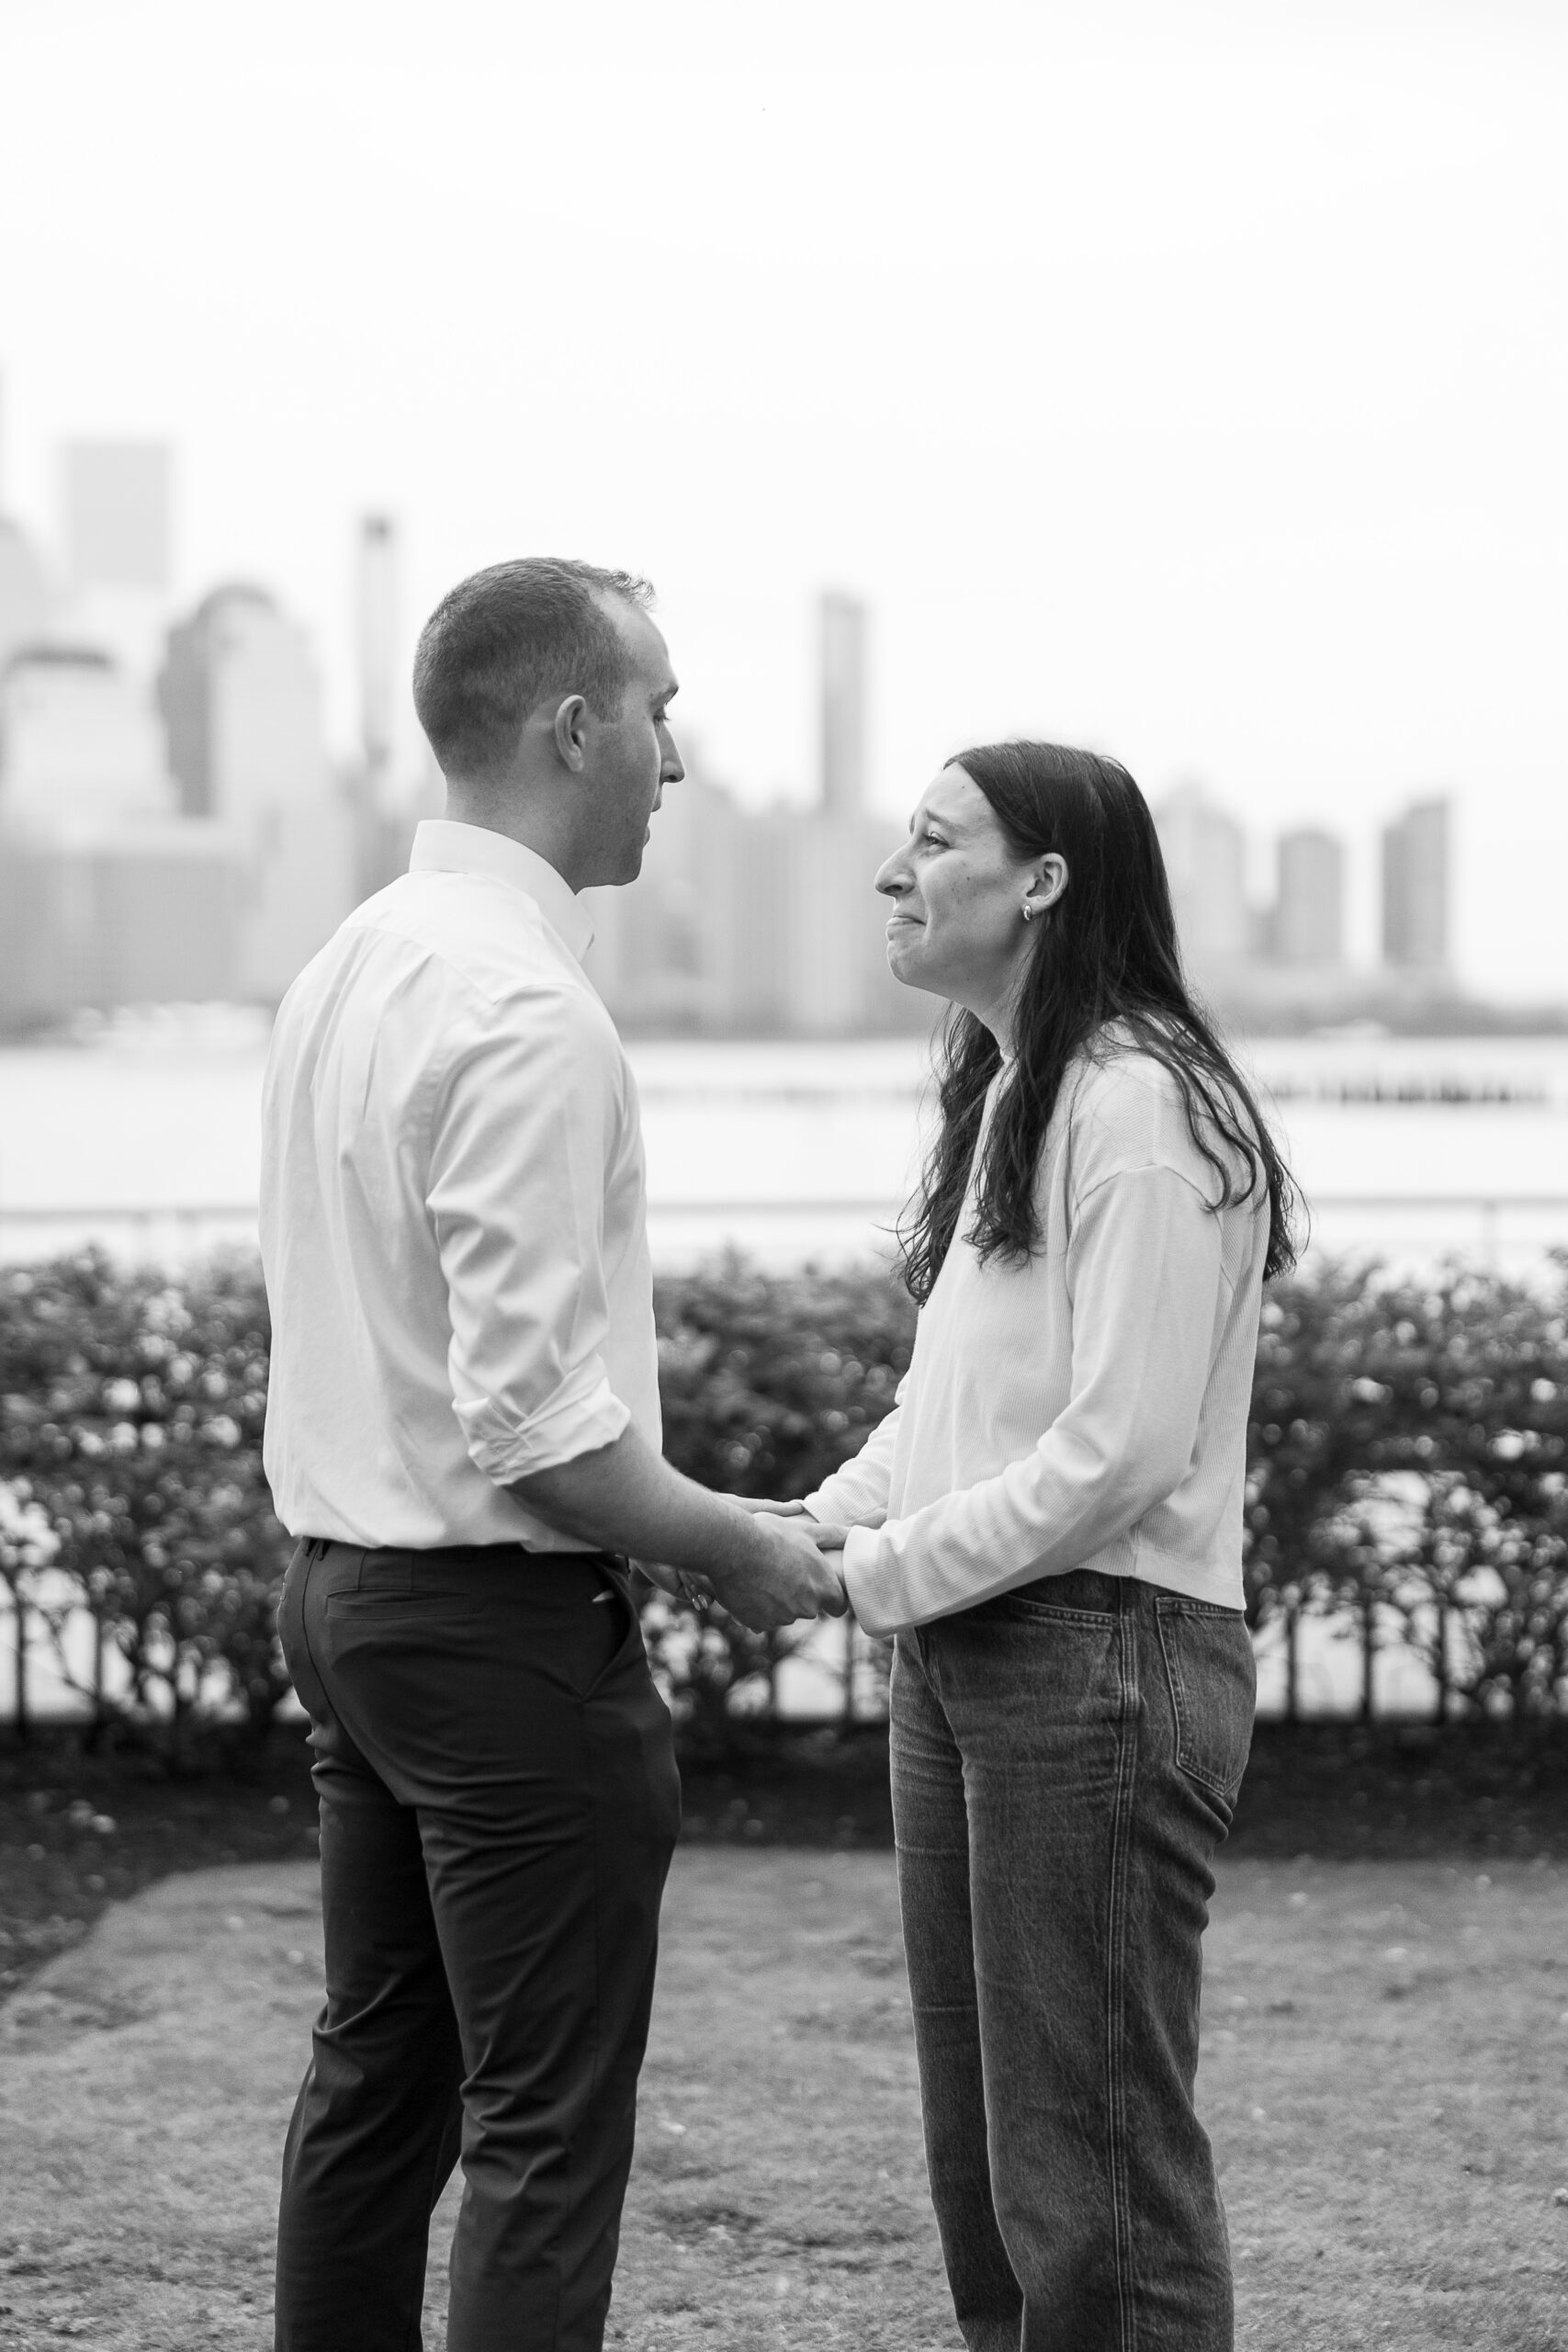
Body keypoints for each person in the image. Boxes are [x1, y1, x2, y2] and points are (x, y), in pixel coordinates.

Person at [261, 556, 841, 2352]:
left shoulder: (348, 962)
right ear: (570, 724)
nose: (678, 756)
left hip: (345, 1600)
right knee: (542, 2127)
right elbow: (536, 1430)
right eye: (661, 711)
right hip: (494, 1639)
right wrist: (743, 1544)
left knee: (377, 2088)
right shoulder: (523, 1006)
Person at [783, 741, 1296, 2351]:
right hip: (983, 1653)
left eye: (933, 842)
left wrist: (870, 1577)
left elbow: (1117, 1450)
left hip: (1100, 1664)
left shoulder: (1140, 1104)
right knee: (994, 2171)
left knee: (1098, 2191)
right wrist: (801, 1528)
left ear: (1044, 882)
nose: (893, 872)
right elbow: (958, 1413)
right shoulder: (1031, 1084)